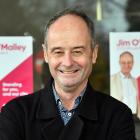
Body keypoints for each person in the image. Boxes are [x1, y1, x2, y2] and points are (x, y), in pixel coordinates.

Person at [0, 7, 136, 140]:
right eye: (58, 52)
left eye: (77, 51)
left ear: (94, 54)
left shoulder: (117, 116)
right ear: (46, 54)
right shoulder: (16, 114)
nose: (68, 62)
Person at [111, 51, 140, 119]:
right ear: (119, 63)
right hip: (119, 117)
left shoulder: (135, 81)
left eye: (129, 62)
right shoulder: (112, 79)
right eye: (124, 63)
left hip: (135, 118)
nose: (127, 65)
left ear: (133, 63)